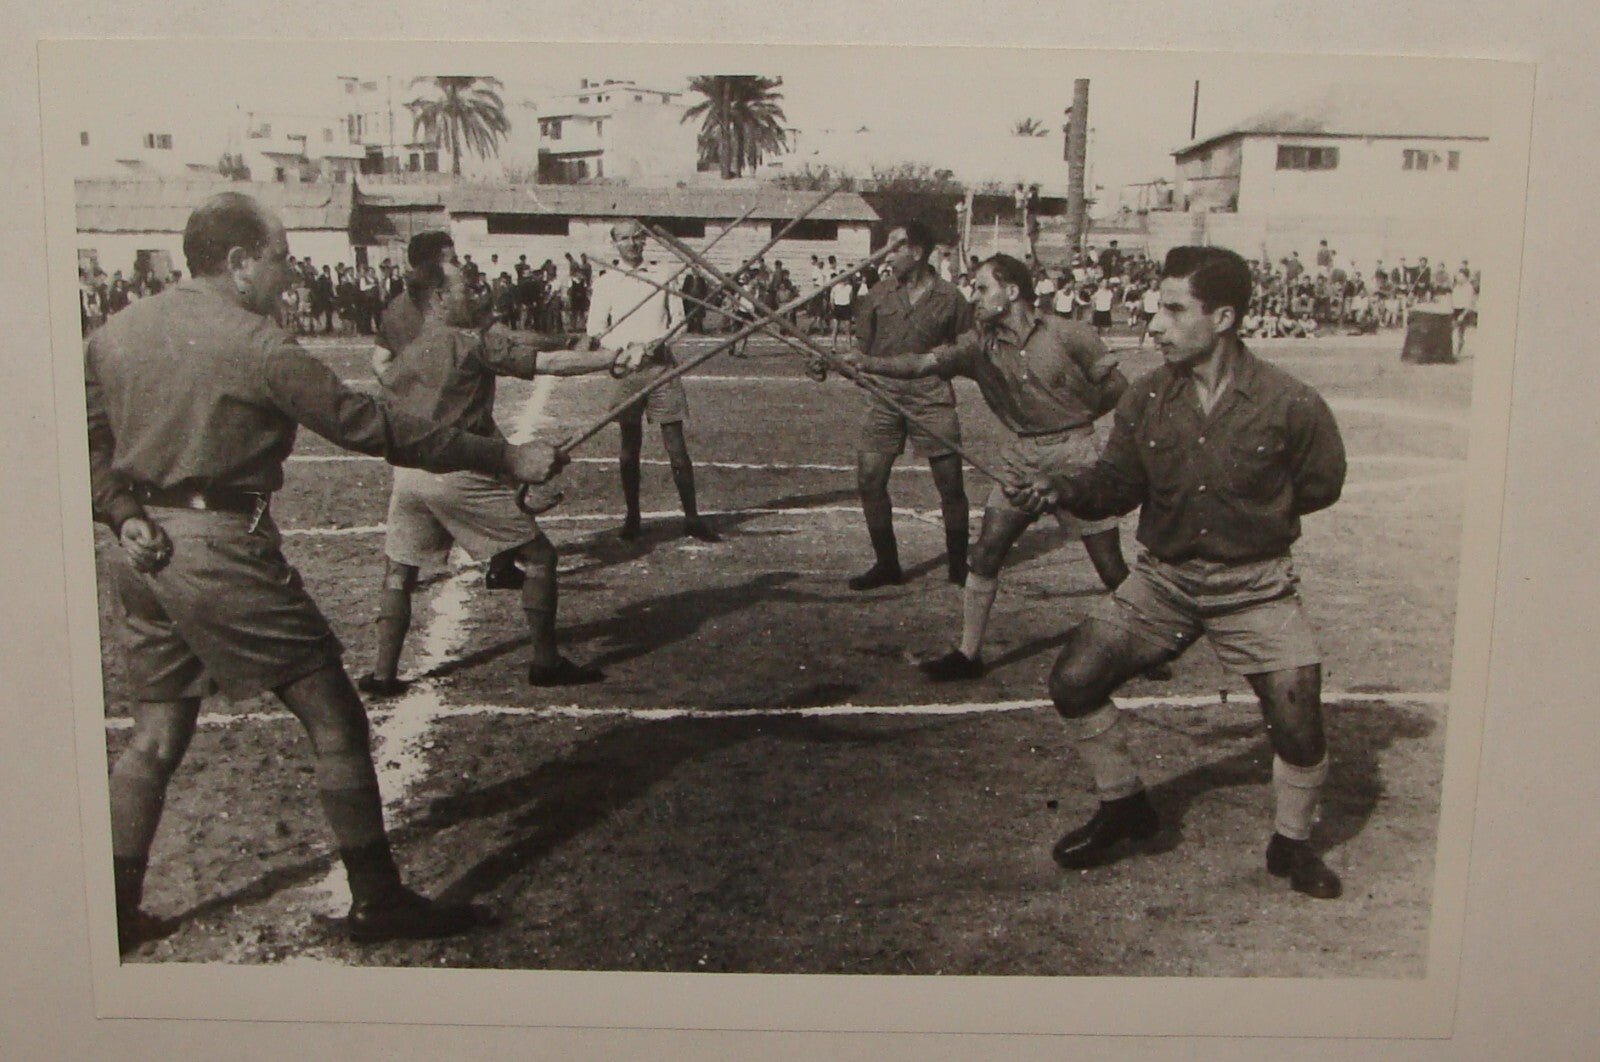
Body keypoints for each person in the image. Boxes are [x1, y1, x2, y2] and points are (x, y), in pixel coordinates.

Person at [85, 192, 568, 953]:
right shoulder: (259, 345)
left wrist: (122, 512)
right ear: (240, 261)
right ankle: (378, 901)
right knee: (335, 717)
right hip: (219, 551)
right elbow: (366, 426)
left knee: (153, 736)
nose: (290, 273)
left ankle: (110, 913)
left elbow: (94, 440)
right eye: (279, 257)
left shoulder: (115, 332)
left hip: (141, 553)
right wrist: (502, 456)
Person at [1011, 245, 1346, 899]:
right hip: (1162, 582)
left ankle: (1293, 844)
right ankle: (1124, 806)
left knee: (1299, 725)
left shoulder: (1291, 403)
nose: (1154, 324)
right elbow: (1115, 484)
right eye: (1155, 308)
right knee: (1074, 680)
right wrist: (1065, 486)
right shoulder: (1144, 400)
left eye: (1172, 309)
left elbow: (1321, 484)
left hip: (1256, 589)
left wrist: (1247, 520)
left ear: (1223, 317)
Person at [843, 253, 1139, 681]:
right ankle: (968, 654)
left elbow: (1118, 390)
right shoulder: (977, 345)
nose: (973, 296)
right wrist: (867, 364)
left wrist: (1076, 418)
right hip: (1019, 459)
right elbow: (920, 363)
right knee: (984, 554)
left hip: (1076, 457)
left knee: (1110, 566)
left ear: (1011, 292)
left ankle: (1147, 642)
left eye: (982, 288)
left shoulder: (1072, 334)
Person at [363, 257, 638, 693]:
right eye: (462, 288)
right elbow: (546, 363)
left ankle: (383, 674)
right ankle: (546, 664)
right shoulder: (469, 344)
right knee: (540, 560)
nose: (472, 294)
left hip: (408, 475)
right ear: (438, 297)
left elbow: (520, 343)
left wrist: (576, 343)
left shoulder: (409, 346)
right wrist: (613, 358)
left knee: (399, 572)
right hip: (457, 475)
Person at [838, 221, 973, 590]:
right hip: (883, 398)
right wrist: (832, 364)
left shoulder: (951, 298)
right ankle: (887, 565)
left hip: (932, 397)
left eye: (893, 248)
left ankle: (959, 566)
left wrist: (941, 361)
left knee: (950, 486)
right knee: (869, 480)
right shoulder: (877, 295)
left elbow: (966, 351)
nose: (886, 255)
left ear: (916, 251)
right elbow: (860, 354)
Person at [583, 219, 719, 542]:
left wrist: (654, 344)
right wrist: (626, 349)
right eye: (624, 239)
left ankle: (692, 517)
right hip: (625, 369)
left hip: (661, 367)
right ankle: (632, 516)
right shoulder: (606, 282)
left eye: (636, 238)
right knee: (630, 447)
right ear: (614, 243)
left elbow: (679, 323)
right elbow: (595, 329)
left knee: (677, 446)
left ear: (644, 241)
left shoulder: (662, 276)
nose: (631, 244)